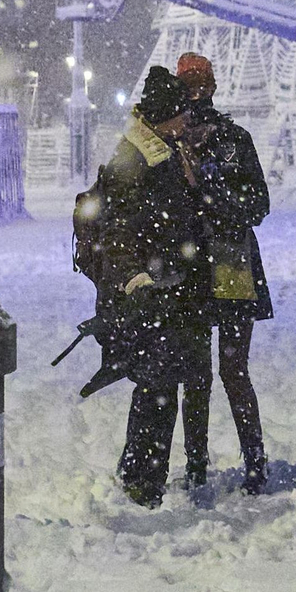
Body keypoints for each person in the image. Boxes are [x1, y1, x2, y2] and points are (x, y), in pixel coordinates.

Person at [99, 66, 211, 508]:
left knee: (159, 385)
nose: (187, 119)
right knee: (156, 385)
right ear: (164, 116)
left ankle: (142, 475)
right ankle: (142, 479)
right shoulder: (135, 160)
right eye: (180, 113)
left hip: (169, 286)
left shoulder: (164, 150)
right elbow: (119, 230)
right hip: (148, 291)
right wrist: (137, 278)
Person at [174, 52, 272, 495]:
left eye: (202, 82)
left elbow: (259, 205)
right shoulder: (171, 145)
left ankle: (255, 461)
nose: (197, 92)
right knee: (196, 372)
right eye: (188, 84)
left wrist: (209, 191)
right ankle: (196, 464)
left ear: (212, 86)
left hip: (231, 260)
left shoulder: (234, 139)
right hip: (192, 268)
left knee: (232, 370)